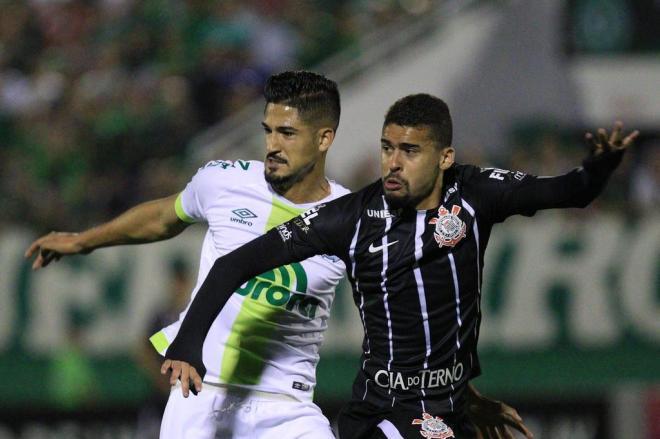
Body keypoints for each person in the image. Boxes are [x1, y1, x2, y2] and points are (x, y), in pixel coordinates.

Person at [25, 76, 527, 438]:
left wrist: (456, 396)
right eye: (268, 131)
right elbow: (164, 216)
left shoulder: (356, 217)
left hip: (286, 406)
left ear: (324, 138)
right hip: (201, 396)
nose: (272, 145)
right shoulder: (224, 180)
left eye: (287, 134)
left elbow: (403, 319)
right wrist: (85, 239)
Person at [161, 94, 637, 438]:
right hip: (380, 408)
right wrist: (188, 340)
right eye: (388, 147)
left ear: (444, 157)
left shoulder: (475, 193)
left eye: (409, 152)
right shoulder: (350, 217)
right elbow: (235, 263)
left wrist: (598, 169)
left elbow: (567, 192)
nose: (392, 162)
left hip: (449, 407)